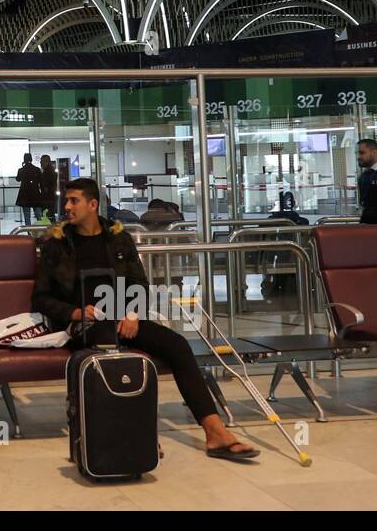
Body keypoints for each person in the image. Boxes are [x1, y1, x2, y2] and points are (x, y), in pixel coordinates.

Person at [32, 178, 259, 462]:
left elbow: (139, 285)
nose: (67, 206)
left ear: (92, 204)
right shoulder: (56, 244)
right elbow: (40, 298)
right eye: (66, 201)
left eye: (73, 200)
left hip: (121, 318)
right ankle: (134, 436)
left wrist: (132, 314)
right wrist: (75, 312)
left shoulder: (118, 238)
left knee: (176, 345)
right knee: (107, 347)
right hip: (81, 324)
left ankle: (214, 432)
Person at [15, 152, 44, 225]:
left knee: (27, 216)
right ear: (31, 159)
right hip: (35, 194)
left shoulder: (21, 170)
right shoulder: (36, 169)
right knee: (38, 215)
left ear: (24, 159)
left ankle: (29, 232)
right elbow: (41, 181)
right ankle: (40, 230)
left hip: (24, 195)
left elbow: (18, 179)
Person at [39, 154, 59, 222]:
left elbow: (46, 184)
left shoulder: (48, 172)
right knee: (50, 215)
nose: (40, 163)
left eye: (41, 161)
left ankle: (51, 230)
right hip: (50, 197)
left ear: (46, 162)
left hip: (47, 197)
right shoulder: (51, 171)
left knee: (47, 215)